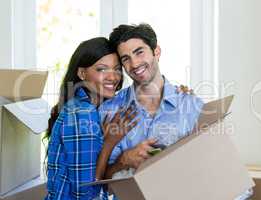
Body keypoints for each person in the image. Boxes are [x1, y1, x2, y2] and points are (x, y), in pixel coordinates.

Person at [96, 23, 204, 181]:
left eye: (139, 52)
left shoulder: (192, 106)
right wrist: (123, 161)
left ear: (156, 52)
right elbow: (98, 183)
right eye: (126, 59)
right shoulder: (109, 111)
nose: (134, 64)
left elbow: (210, 165)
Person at [44, 37, 139, 200]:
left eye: (116, 69)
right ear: (82, 73)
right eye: (102, 69)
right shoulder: (82, 114)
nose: (113, 77)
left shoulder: (98, 109)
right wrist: (109, 143)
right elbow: (85, 193)